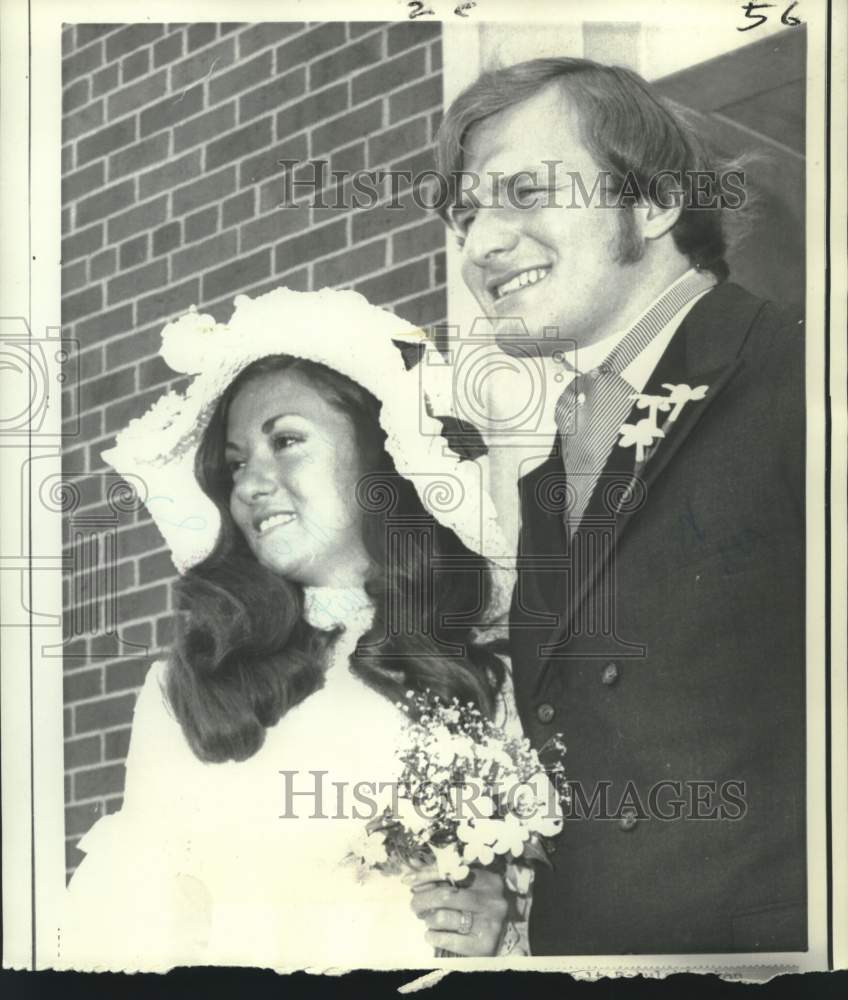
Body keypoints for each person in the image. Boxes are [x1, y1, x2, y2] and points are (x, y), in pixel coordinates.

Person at [436, 57, 806, 954]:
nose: (481, 243)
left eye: (524, 191)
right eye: (466, 213)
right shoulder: (548, 476)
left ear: (654, 203)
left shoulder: (808, 376)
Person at [60, 287, 524, 971]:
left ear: (381, 459)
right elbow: (133, 919)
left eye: (286, 441)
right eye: (238, 461)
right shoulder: (189, 690)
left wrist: (500, 907)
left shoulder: (482, 677)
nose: (250, 483)